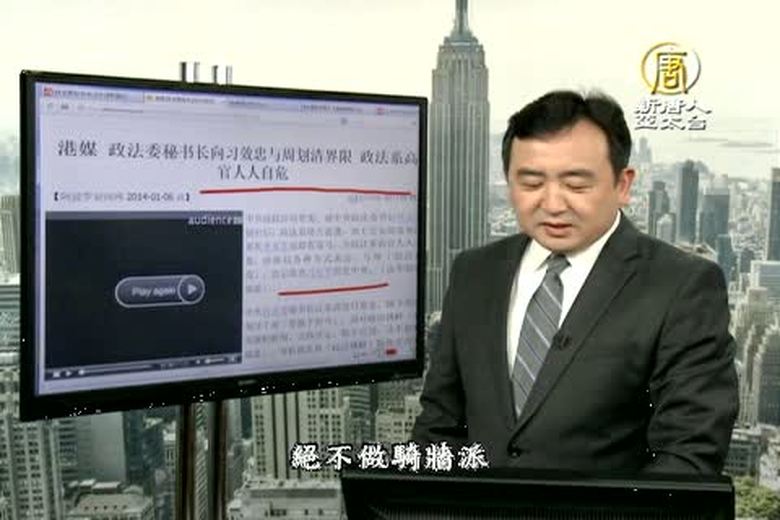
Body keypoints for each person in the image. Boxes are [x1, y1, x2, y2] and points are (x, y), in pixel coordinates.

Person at [412, 90, 738, 474]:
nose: (553, 204)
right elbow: (439, 427)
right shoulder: (474, 272)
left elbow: (688, 456)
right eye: (531, 183)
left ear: (623, 185)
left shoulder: (682, 286)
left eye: (577, 185)